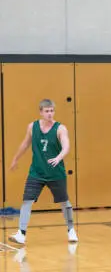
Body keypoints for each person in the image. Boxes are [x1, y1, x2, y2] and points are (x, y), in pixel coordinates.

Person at [9, 99, 78, 245]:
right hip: (37, 172)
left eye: (52, 111)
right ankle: (21, 233)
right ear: (41, 112)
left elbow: (66, 146)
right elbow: (25, 144)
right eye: (47, 111)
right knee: (27, 200)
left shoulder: (60, 128)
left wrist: (58, 158)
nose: (50, 114)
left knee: (64, 202)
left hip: (55, 172)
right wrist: (15, 159)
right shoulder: (32, 127)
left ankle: (71, 230)